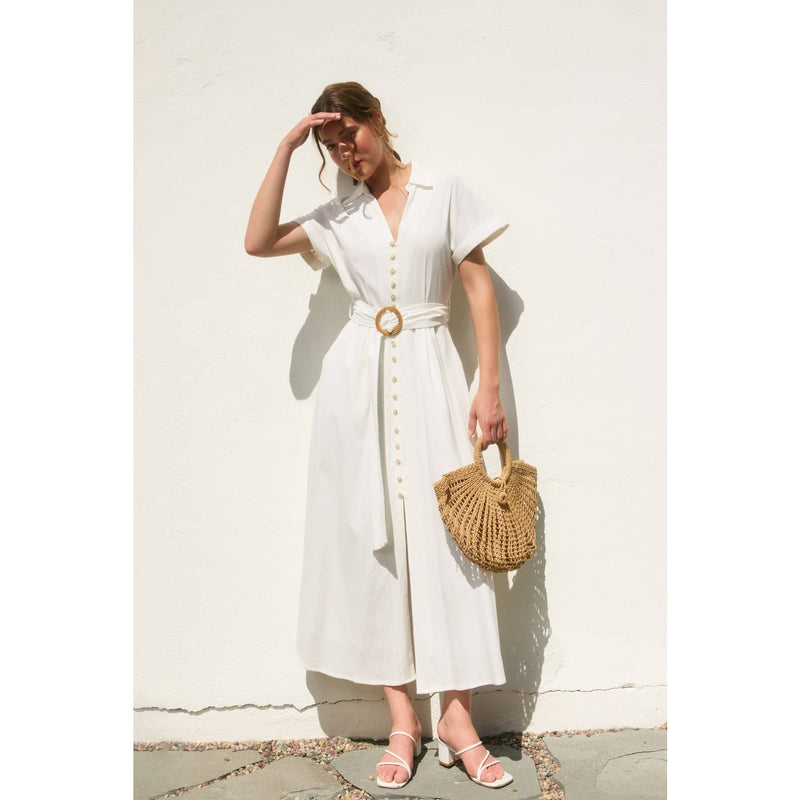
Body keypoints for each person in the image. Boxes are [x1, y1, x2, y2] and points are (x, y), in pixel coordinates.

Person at [244, 81, 513, 790]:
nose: (345, 153)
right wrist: (284, 148)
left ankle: (459, 718)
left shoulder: (441, 189)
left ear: (378, 122)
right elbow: (258, 241)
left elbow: (478, 284)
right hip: (354, 394)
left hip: (432, 372)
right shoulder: (336, 216)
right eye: (331, 148)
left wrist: (487, 386)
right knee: (378, 548)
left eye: (351, 137)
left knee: (451, 545)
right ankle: (404, 721)